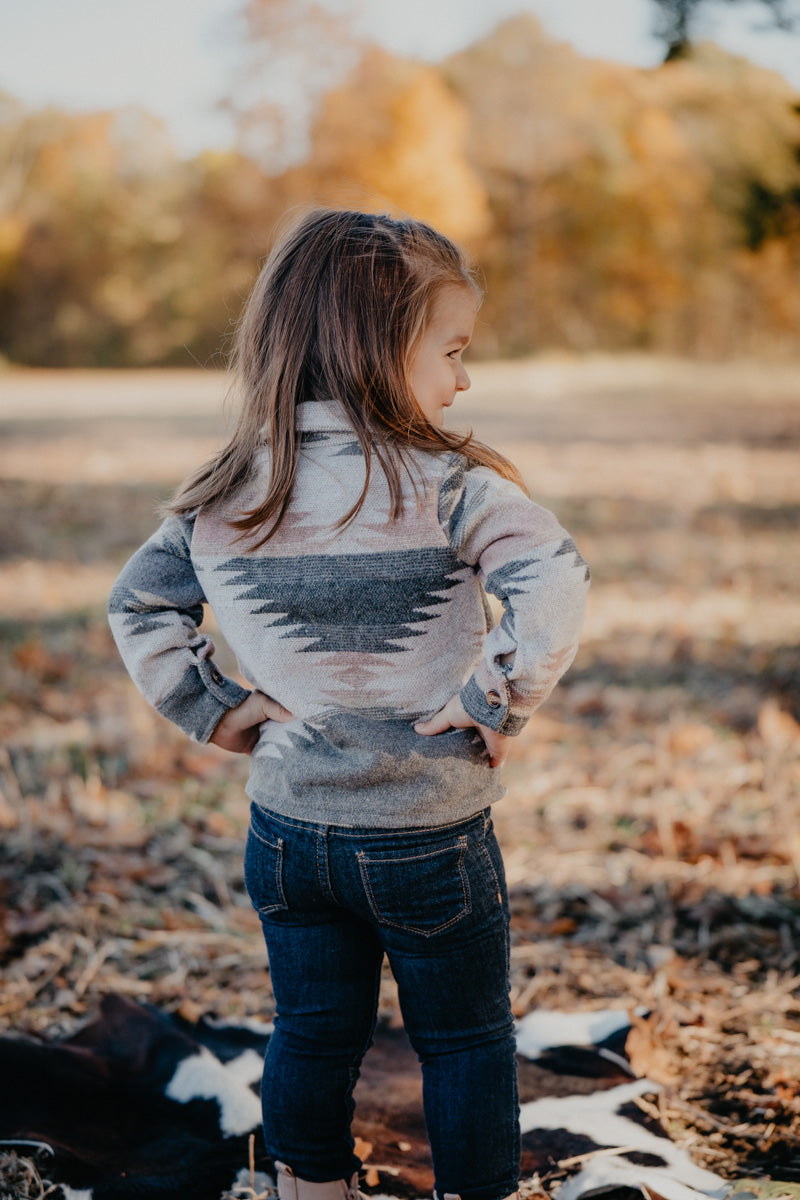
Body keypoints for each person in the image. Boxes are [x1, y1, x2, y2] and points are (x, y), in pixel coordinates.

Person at [109, 208, 589, 1200]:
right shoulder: (450, 488)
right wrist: (494, 699)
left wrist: (217, 709)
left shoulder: (224, 492)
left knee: (312, 1031)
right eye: (451, 351)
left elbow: (139, 604)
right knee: (459, 1040)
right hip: (427, 837)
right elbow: (551, 582)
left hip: (287, 834)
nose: (464, 380)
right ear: (378, 349)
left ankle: (307, 1190)